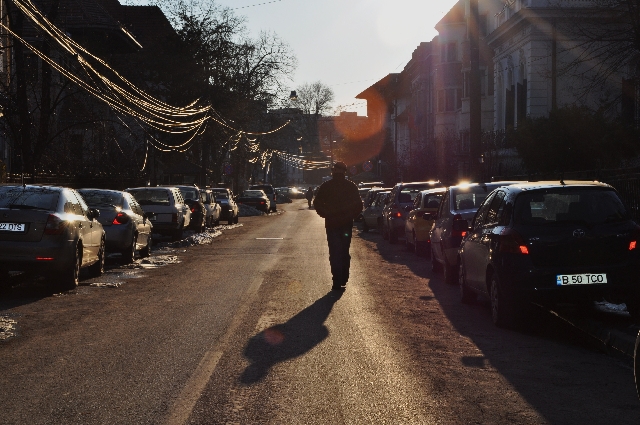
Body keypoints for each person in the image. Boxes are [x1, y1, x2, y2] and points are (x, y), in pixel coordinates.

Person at [313, 162, 363, 291]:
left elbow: (317, 203)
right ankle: (343, 277)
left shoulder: (326, 186)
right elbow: (359, 205)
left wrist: (325, 214)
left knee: (334, 251)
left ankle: (336, 279)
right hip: (346, 224)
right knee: (344, 251)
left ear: (334, 171)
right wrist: (352, 216)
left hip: (332, 224)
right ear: (345, 172)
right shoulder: (351, 186)